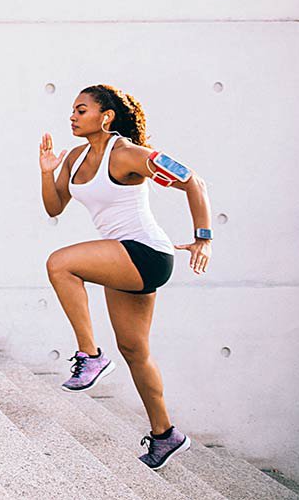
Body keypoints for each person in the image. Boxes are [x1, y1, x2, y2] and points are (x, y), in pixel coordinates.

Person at [38, 84, 213, 470]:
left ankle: (91, 356)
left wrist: (204, 239)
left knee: (60, 263)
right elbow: (54, 207)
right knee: (135, 352)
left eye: (81, 110)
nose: (72, 116)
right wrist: (47, 173)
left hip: (147, 252)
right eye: (71, 110)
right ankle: (166, 434)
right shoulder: (74, 159)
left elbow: (193, 181)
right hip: (120, 258)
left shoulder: (128, 154)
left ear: (107, 116)